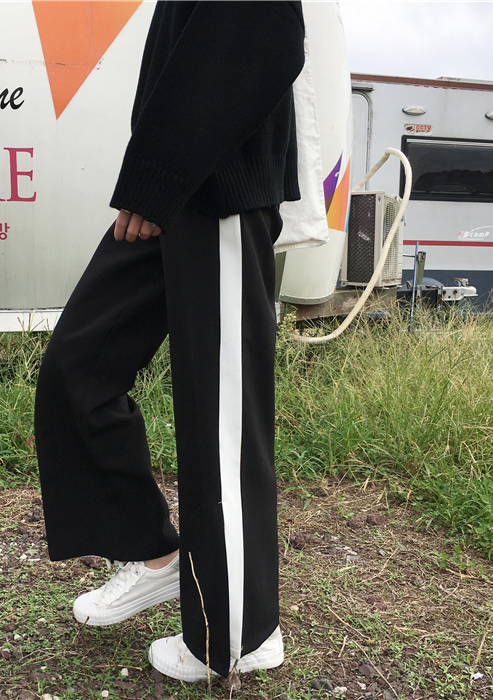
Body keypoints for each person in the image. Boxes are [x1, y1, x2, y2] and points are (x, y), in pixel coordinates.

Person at [34, 0, 305, 682]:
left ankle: (238, 635)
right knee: (79, 366)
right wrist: (156, 177)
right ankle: (150, 552)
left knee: (221, 425)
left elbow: (261, 33)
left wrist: (160, 172)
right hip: (174, 184)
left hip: (218, 189)